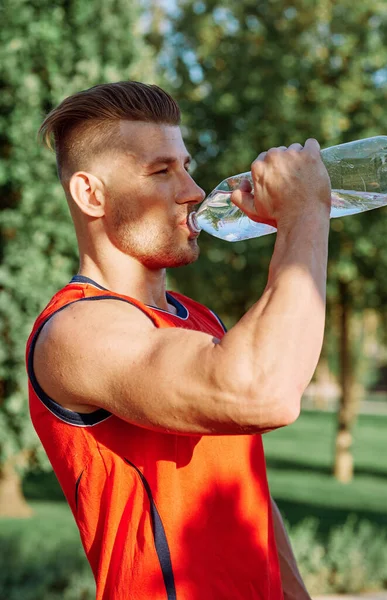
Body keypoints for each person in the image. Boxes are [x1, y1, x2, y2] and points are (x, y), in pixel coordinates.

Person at [26, 81, 331, 600]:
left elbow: (242, 486)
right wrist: (305, 215)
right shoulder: (76, 329)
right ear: (90, 194)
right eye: (161, 171)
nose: (192, 190)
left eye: (186, 166)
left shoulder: (198, 318)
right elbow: (263, 392)